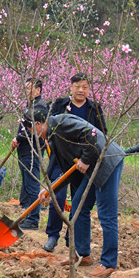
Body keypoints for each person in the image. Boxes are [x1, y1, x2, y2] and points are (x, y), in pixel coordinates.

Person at [16, 107, 123, 278]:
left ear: (38, 124)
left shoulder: (62, 123)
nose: (31, 134)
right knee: (78, 208)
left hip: (107, 161)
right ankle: (82, 254)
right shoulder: (53, 137)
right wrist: (51, 190)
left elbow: (92, 134)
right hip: (93, 167)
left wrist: (85, 159)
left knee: (106, 214)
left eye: (30, 130)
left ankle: (109, 263)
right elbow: (67, 171)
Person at [42, 72, 108, 252]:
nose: (81, 90)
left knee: (79, 200)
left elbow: (102, 134)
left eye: (85, 87)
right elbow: (47, 128)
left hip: (84, 162)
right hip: (60, 158)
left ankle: (71, 238)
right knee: (57, 195)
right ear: (71, 87)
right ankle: (53, 235)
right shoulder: (60, 105)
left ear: (88, 89)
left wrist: (88, 158)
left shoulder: (94, 109)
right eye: (77, 86)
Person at [16, 78, 49, 230]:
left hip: (32, 151)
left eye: (30, 87)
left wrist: (17, 137)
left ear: (38, 90)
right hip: (24, 150)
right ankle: (28, 215)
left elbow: (34, 131)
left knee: (32, 185)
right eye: (26, 87)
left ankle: (33, 219)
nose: (27, 90)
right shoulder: (30, 106)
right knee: (27, 186)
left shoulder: (40, 108)